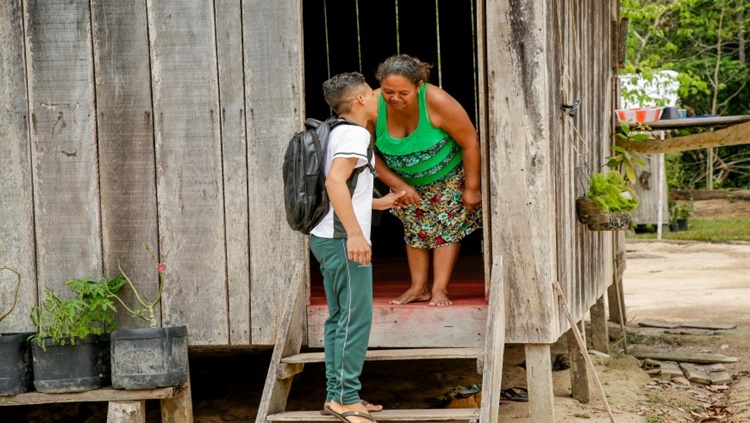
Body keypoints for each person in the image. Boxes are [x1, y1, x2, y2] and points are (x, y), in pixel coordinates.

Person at [311, 72, 404, 423]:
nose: (381, 98)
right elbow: (335, 181)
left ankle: (338, 396)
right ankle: (347, 400)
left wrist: (378, 204)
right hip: (340, 239)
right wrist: (354, 233)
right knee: (355, 317)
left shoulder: (335, 131)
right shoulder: (354, 133)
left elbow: (343, 186)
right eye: (375, 93)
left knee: (339, 317)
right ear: (361, 100)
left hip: (326, 236)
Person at [372, 54, 482, 307]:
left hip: (449, 175)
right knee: (415, 229)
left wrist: (472, 189)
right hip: (403, 181)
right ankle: (418, 287)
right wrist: (399, 185)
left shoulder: (436, 100)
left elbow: (469, 142)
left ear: (418, 86)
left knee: (445, 229)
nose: (394, 98)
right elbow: (366, 154)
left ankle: (439, 289)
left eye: (403, 92)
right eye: (388, 91)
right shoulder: (373, 103)